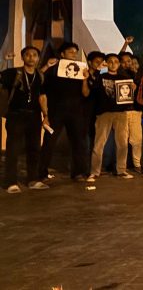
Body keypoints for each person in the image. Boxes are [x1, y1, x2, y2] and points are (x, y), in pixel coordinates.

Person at [38, 42, 90, 181]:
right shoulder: (53, 68)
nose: (73, 54)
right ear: (62, 54)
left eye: (75, 52)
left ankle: (79, 172)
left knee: (79, 142)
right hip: (56, 112)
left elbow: (85, 94)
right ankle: (41, 173)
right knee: (49, 141)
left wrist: (85, 79)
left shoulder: (81, 70)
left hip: (76, 112)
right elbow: (38, 82)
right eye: (70, 51)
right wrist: (46, 114)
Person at [2, 46, 49, 193]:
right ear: (22, 57)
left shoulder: (40, 76)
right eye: (27, 55)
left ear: (37, 58)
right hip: (16, 115)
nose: (31, 57)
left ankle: (33, 179)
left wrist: (46, 115)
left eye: (34, 55)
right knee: (13, 149)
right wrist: (4, 62)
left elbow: (42, 97)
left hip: (34, 116)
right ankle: (10, 182)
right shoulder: (14, 73)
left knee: (34, 148)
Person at [84, 53, 134, 182]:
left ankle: (121, 170)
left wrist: (132, 88)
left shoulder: (124, 77)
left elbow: (128, 95)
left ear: (119, 64)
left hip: (121, 113)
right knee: (99, 143)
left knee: (122, 143)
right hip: (104, 113)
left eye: (116, 61)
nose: (113, 64)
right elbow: (92, 90)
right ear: (106, 63)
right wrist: (100, 69)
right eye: (110, 61)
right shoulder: (100, 77)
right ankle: (94, 172)